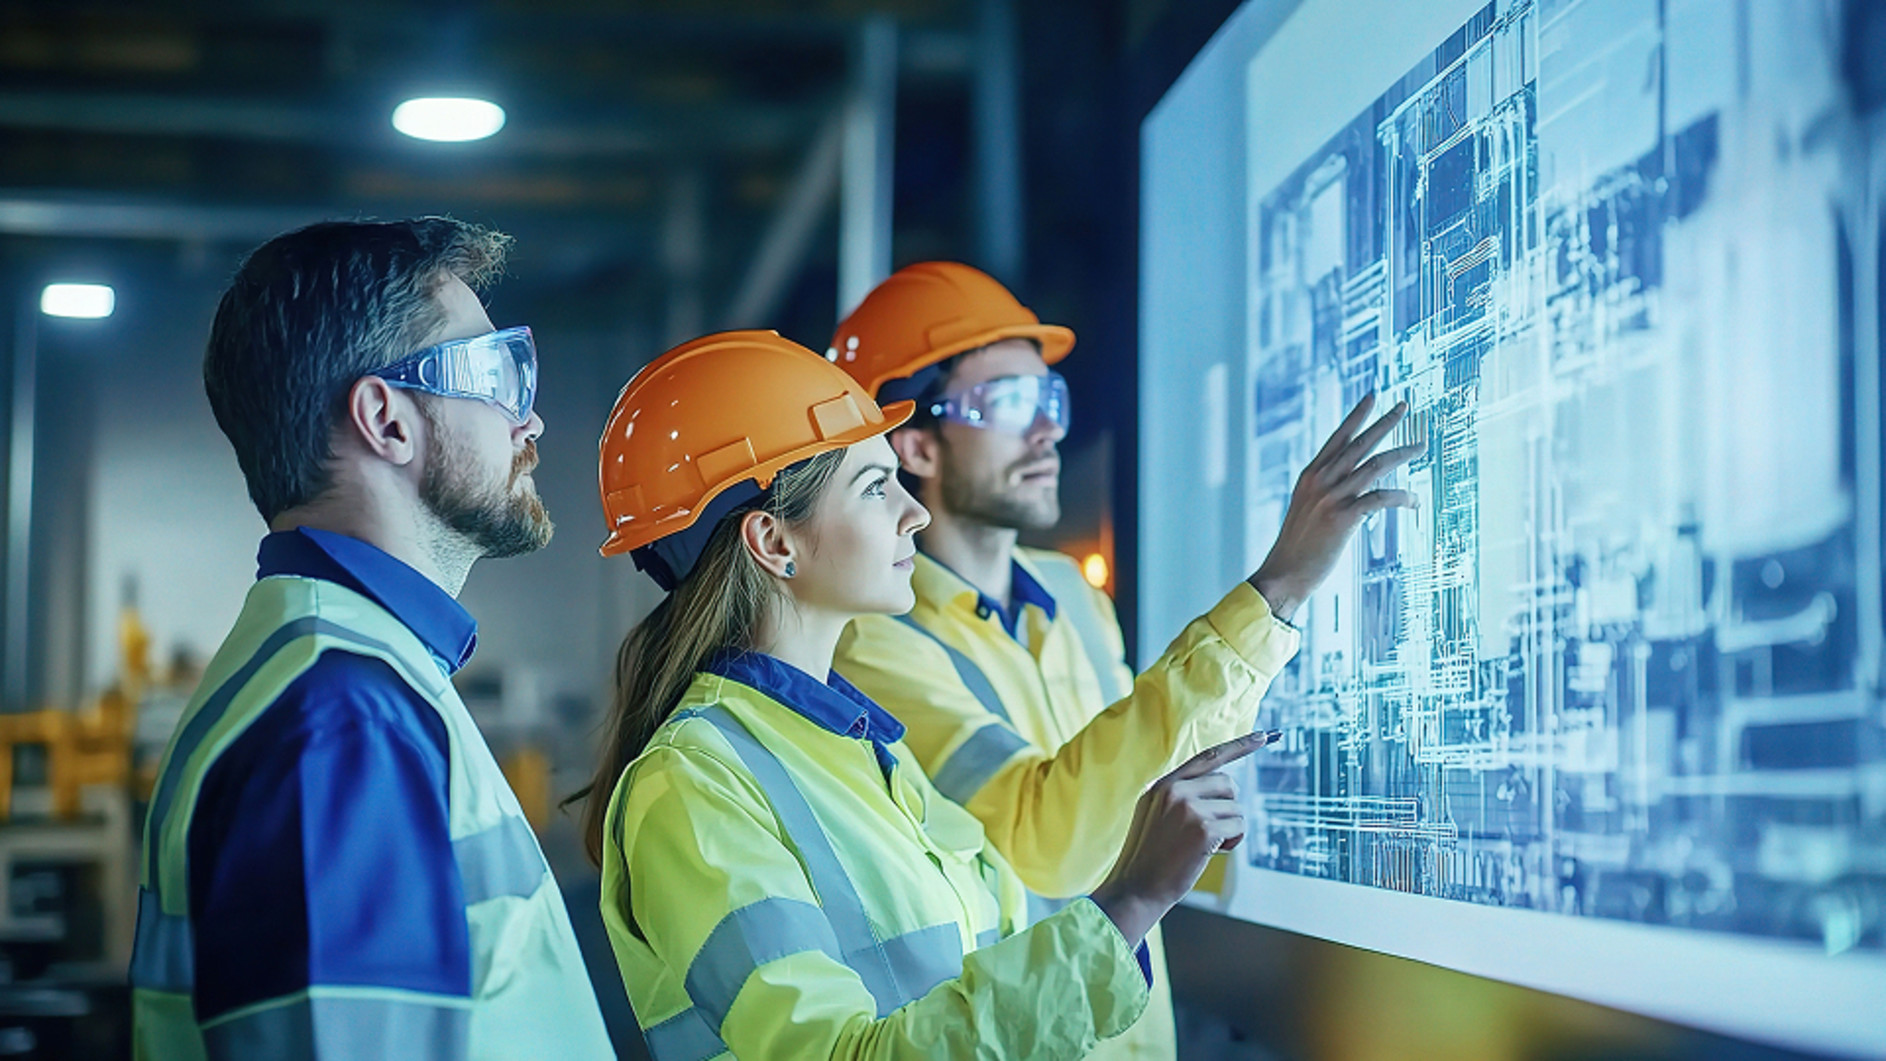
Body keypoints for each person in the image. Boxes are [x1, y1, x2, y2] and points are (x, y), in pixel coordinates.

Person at [580, 329, 1271, 1061]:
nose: (915, 513)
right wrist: (1129, 901)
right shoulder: (693, 786)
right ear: (774, 542)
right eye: (876, 488)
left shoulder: (869, 753)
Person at [827, 262, 1418, 1058]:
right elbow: (1043, 840)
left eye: (1049, 400)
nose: (1047, 431)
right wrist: (1275, 588)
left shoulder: (1073, 595)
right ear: (917, 444)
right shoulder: (873, 645)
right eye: (1009, 404)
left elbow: (1158, 771)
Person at [130, 218, 613, 1060]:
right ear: (386, 420)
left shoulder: (348, 677)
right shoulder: (341, 719)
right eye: (496, 374)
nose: (527, 422)